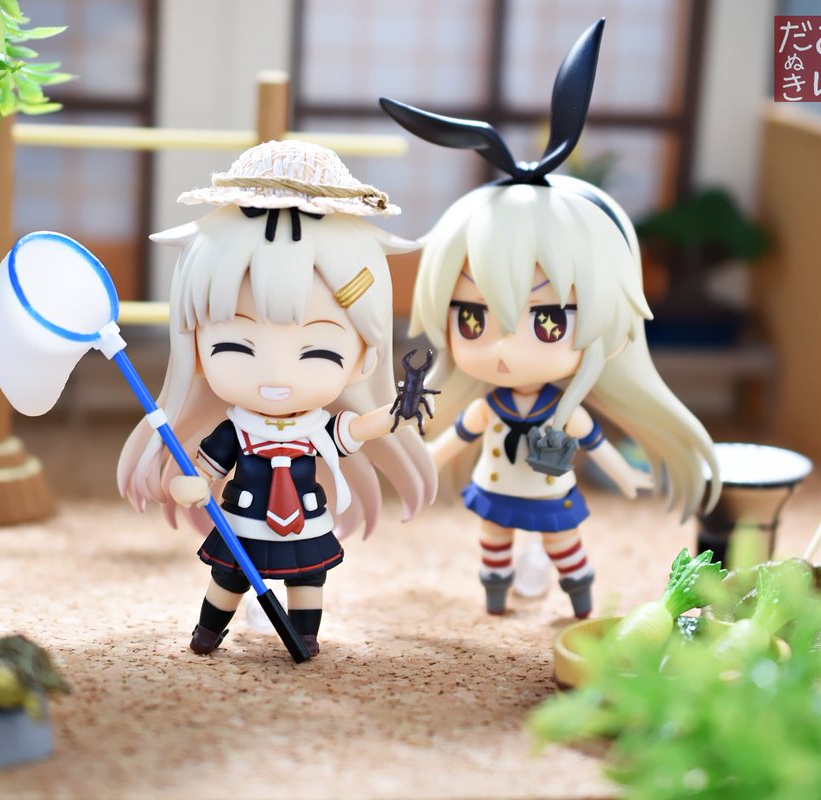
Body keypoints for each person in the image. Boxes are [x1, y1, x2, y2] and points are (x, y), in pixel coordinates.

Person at [382, 18, 719, 618]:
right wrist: (417, 468)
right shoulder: (487, 407)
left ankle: (578, 595)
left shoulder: (565, 413)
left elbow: (599, 447)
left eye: (546, 323)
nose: (502, 348)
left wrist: (627, 477)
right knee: (493, 544)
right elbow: (448, 444)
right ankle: (496, 591)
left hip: (552, 496)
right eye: (473, 319)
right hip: (495, 491)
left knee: (566, 547)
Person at [117, 140, 436, 656]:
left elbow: (355, 430)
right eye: (234, 347)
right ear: (195, 348)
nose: (276, 376)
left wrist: (399, 409)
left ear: (363, 357)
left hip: (304, 519)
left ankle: (305, 634)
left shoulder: (317, 428)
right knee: (227, 578)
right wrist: (187, 486)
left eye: (318, 352)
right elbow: (203, 471)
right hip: (244, 519)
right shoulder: (236, 431)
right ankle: (208, 631)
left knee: (309, 580)